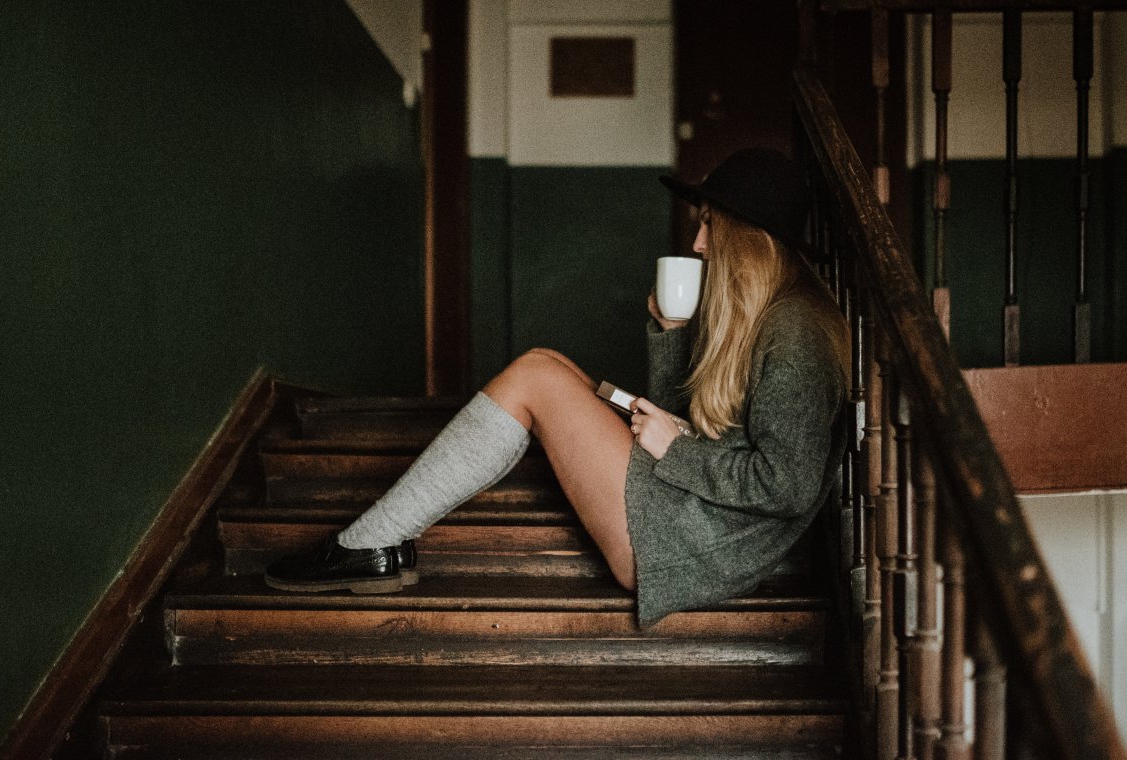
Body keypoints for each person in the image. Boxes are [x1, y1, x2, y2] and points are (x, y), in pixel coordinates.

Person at [265, 147, 850, 627]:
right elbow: (683, 416)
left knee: (535, 379)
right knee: (550, 362)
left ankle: (369, 544)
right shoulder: (772, 318)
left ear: (748, 239)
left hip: (690, 543)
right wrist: (672, 336)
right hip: (693, 524)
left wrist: (675, 449)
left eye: (709, 224)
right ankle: (375, 545)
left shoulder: (795, 332)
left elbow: (789, 484)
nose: (698, 243)